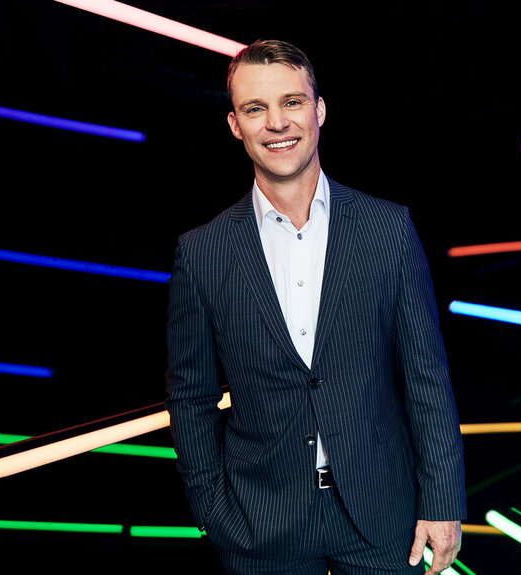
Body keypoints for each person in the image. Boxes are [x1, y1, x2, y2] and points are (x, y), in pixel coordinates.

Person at [165, 39, 466, 575]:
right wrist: (212, 508)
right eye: (256, 109)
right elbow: (191, 395)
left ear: (319, 110)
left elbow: (426, 378)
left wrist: (442, 502)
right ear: (235, 124)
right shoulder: (202, 252)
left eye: (292, 102)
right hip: (260, 524)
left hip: (383, 514)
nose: (277, 122)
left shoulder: (387, 230)